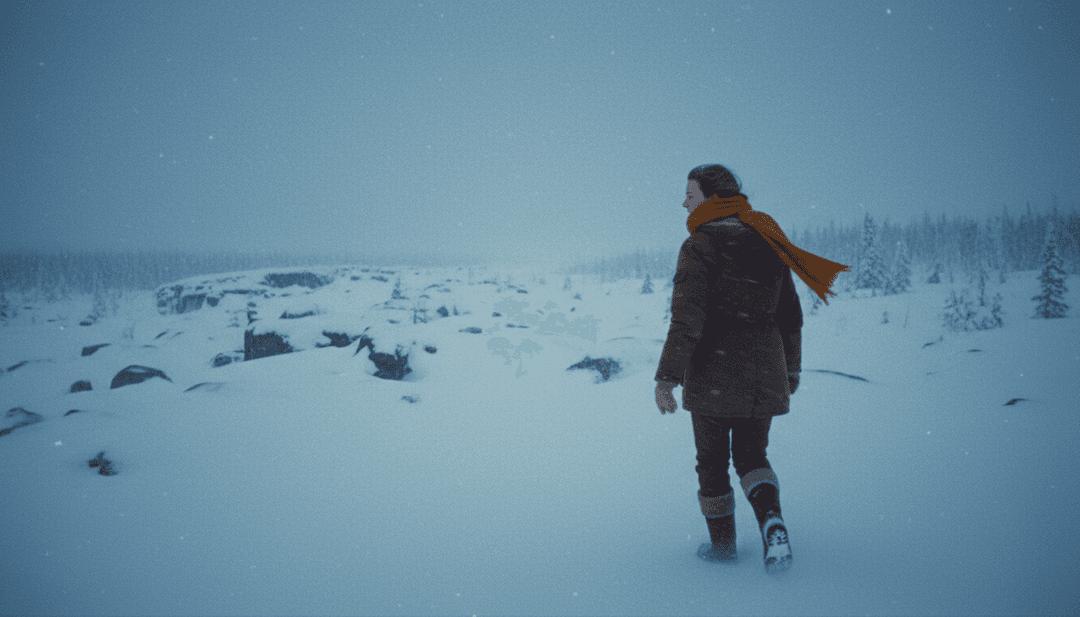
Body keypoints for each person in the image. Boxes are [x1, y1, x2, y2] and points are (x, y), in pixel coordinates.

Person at [653, 164, 849, 574]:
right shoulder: (767, 238)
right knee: (752, 455)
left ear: (710, 196)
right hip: (765, 371)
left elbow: (687, 318)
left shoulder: (699, 244)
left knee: (712, 463)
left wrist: (667, 376)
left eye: (690, 193)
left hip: (714, 372)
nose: (684, 201)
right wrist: (790, 370)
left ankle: (723, 548)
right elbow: (790, 316)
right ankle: (771, 520)